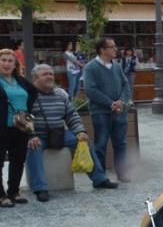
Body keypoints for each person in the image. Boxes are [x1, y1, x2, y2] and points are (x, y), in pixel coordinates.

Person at [25, 64, 119, 201]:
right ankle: (40, 188)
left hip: (59, 133)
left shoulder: (61, 94)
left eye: (51, 74)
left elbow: (71, 115)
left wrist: (80, 131)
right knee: (33, 148)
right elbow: (24, 117)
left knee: (83, 141)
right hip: (38, 135)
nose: (49, 77)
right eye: (45, 74)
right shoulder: (29, 96)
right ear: (35, 78)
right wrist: (30, 136)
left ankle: (99, 179)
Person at [83, 38, 132, 184]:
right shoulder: (91, 67)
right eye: (112, 47)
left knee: (121, 143)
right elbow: (90, 90)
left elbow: (125, 85)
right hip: (101, 112)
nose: (115, 49)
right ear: (102, 50)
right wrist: (110, 103)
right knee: (101, 144)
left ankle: (122, 173)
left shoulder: (116, 66)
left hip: (119, 111)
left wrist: (121, 102)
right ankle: (101, 176)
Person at [0, 49, 37, 207]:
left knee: (18, 160)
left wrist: (25, 112)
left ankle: (14, 191)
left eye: (10, 61)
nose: (7, 63)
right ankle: (1, 195)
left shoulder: (20, 80)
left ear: (15, 64)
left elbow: (33, 92)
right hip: (2, 127)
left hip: (20, 127)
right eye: (3, 60)